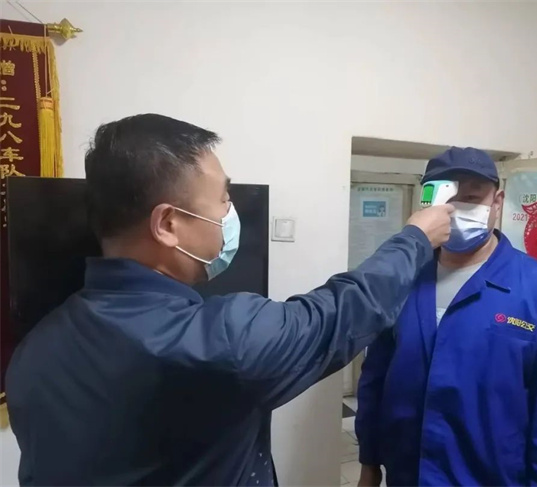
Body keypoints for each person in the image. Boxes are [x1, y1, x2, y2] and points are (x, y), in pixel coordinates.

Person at [6, 114, 454, 486]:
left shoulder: (34, 352)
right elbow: (342, 312)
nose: (229, 214)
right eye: (223, 199)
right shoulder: (221, 341)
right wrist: (416, 237)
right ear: (167, 224)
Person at [355, 147, 537, 487]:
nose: (454, 210)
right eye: (446, 197)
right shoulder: (403, 279)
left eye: (471, 197)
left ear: (497, 202)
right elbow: (375, 377)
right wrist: (369, 463)